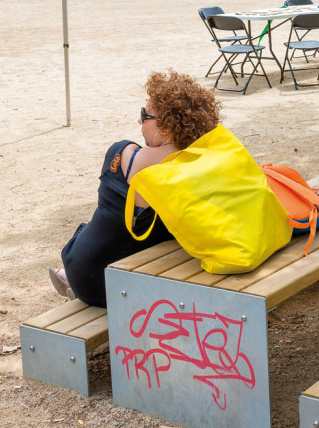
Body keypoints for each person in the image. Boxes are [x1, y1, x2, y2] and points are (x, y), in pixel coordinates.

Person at [52, 71, 222, 306]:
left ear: (168, 127)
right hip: (152, 282)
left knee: (100, 222)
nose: (140, 121)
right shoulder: (204, 166)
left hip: (91, 280)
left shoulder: (122, 154)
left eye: (145, 115)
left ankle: (67, 275)